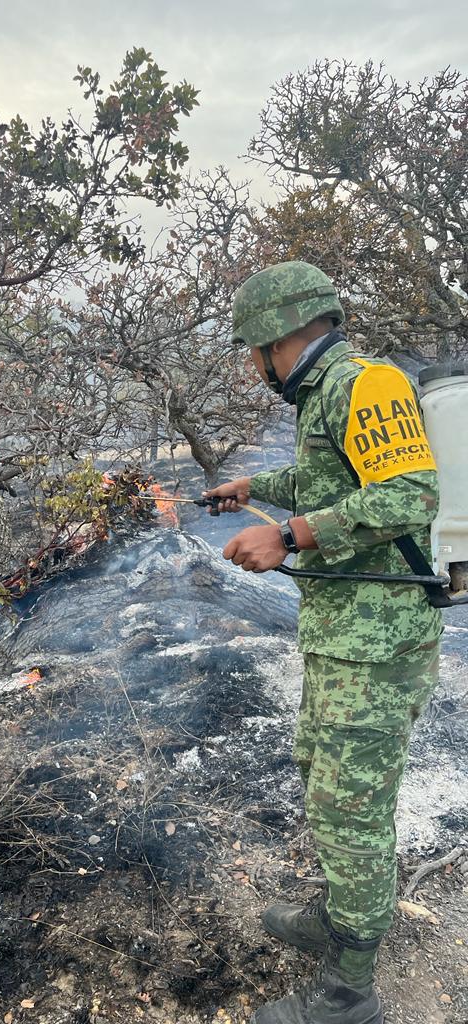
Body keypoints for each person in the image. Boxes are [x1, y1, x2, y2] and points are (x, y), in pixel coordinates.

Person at [207, 261, 442, 1024]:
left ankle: (349, 992)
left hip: (377, 646)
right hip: (345, 639)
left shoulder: (365, 383)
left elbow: (410, 495)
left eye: (255, 351)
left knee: (353, 813)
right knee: (324, 778)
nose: (255, 366)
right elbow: (334, 479)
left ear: (276, 338)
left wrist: (286, 536)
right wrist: (256, 489)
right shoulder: (327, 393)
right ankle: (339, 920)